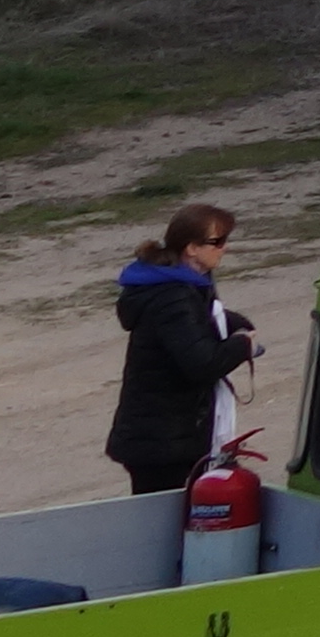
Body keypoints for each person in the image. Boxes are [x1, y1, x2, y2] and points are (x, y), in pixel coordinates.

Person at [103, 202, 258, 495]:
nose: (224, 248)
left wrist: (233, 323)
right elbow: (202, 364)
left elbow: (196, 322)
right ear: (192, 248)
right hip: (161, 444)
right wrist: (242, 345)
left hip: (171, 436)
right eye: (217, 242)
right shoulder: (172, 296)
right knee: (163, 518)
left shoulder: (187, 284)